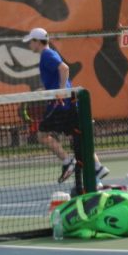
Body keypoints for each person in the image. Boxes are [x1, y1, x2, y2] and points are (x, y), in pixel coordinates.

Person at [22, 27, 109, 190]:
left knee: (41, 135)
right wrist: (49, 90)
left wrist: (60, 91)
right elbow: (57, 76)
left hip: (60, 104)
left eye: (31, 42)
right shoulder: (49, 54)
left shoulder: (47, 55)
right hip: (68, 101)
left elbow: (64, 68)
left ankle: (67, 161)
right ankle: (97, 168)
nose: (29, 45)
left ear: (37, 42)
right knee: (79, 137)